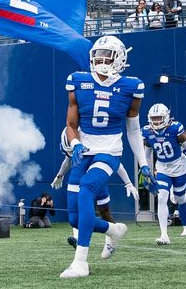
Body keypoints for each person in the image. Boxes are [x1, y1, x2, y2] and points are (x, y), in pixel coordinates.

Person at [60, 35, 151, 279]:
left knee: (88, 188)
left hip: (109, 150)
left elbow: (134, 129)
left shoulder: (132, 86)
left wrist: (143, 164)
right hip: (84, 149)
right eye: (97, 56)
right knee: (75, 218)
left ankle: (80, 263)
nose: (101, 61)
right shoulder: (78, 81)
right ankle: (112, 229)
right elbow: (70, 124)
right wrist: (76, 142)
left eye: (106, 56)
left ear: (119, 59)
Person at [52, 129, 136, 254]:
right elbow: (68, 160)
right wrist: (60, 175)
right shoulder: (72, 143)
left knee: (104, 212)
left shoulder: (95, 144)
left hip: (96, 180)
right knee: (77, 214)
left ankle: (111, 239)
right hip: (80, 179)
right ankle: (80, 238)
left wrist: (128, 182)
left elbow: (115, 163)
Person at [142, 103, 186, 244]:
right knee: (162, 197)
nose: (156, 121)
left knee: (179, 199)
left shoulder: (175, 129)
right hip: (162, 167)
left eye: (159, 118)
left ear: (166, 117)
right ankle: (164, 235)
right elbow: (147, 152)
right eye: (153, 118)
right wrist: (147, 169)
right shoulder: (147, 131)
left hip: (179, 166)